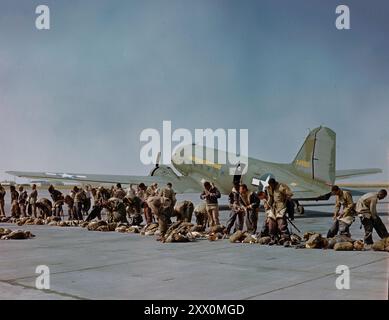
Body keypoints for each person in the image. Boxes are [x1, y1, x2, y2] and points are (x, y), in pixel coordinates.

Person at [266, 178, 293, 242]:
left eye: (272, 185)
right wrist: (268, 205)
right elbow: (270, 197)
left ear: (274, 183)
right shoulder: (269, 188)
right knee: (271, 224)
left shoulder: (281, 186)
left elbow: (290, 194)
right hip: (273, 207)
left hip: (281, 207)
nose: (271, 186)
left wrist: (286, 199)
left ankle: (285, 238)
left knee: (281, 224)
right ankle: (274, 238)